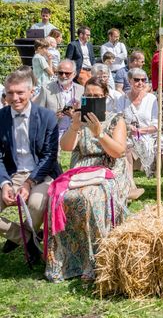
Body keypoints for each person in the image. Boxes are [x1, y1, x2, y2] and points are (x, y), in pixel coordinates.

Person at [46, 77, 129, 282]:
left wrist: (99, 133)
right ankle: (66, 261)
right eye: (88, 96)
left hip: (107, 169)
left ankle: (97, 261)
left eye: (96, 96)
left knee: (90, 198)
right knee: (60, 197)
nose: (92, 99)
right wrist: (74, 126)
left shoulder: (116, 119)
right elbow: (66, 147)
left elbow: (118, 152)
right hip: (81, 171)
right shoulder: (79, 122)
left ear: (105, 97)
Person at [0, 69, 61, 266]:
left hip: (41, 174)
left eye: (20, 93)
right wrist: (4, 184)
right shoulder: (0, 117)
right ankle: (27, 239)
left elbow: (49, 156)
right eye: (10, 93)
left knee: (35, 205)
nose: (15, 98)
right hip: (11, 173)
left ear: (31, 92)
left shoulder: (47, 116)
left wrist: (29, 183)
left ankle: (21, 238)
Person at [116, 68, 156, 201]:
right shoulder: (122, 99)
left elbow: (156, 126)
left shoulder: (152, 99)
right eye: (137, 80)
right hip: (127, 135)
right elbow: (117, 119)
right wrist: (127, 127)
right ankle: (131, 184)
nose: (140, 83)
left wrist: (140, 131)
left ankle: (130, 185)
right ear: (129, 81)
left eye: (143, 80)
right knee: (125, 147)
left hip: (147, 136)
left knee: (129, 145)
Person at [35, 59, 84, 137]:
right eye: (60, 73)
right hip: (54, 133)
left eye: (67, 73)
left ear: (74, 74)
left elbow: (86, 115)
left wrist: (74, 115)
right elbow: (37, 114)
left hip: (75, 133)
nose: (63, 76)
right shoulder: (46, 89)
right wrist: (53, 117)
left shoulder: (82, 90)